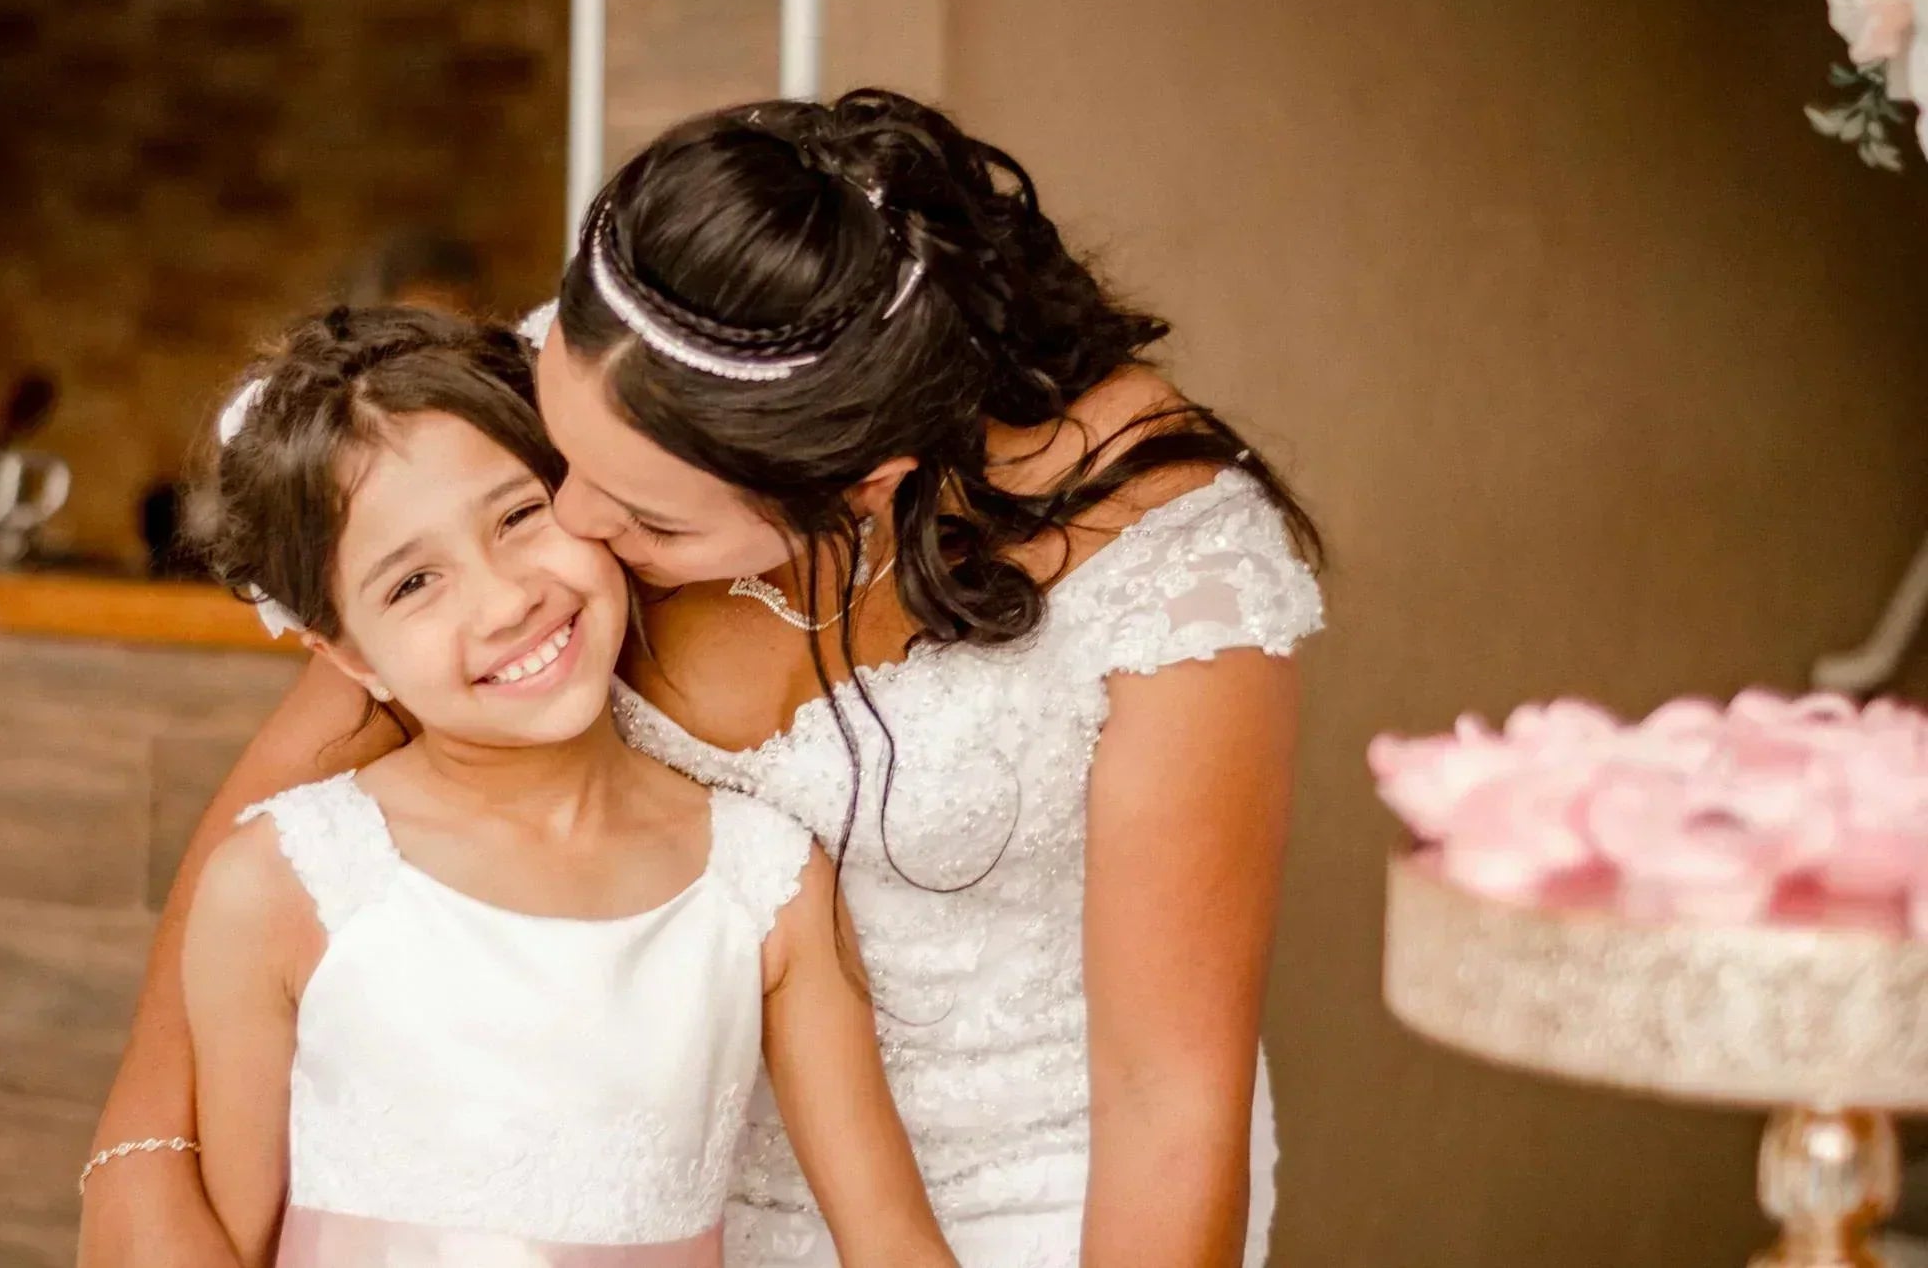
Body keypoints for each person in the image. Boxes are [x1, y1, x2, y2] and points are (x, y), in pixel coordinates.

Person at [80, 90, 1324, 1268]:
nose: (565, 521)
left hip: (1026, 1206)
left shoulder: (1165, 558)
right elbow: (287, 824)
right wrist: (137, 1162)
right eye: (558, 459)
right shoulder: (620, 392)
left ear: (858, 489)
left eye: (645, 522)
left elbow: (1171, 1104)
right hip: (651, 1213)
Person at [153, 305, 955, 1267]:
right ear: (350, 657)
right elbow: (228, 1240)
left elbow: (890, 1243)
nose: (506, 599)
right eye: (413, 584)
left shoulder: (767, 880)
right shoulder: (282, 881)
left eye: (519, 516)